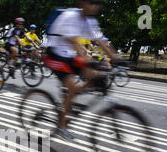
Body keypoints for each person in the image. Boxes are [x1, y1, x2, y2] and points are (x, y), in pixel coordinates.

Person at [43, 0, 122, 141]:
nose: (96, 6)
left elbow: (102, 41)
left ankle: (69, 101)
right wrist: (90, 61)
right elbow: (75, 43)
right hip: (54, 55)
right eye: (93, 2)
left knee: (98, 77)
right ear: (82, 3)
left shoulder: (90, 21)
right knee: (73, 86)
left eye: (98, 3)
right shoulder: (70, 16)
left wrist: (116, 58)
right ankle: (61, 126)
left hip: (69, 56)